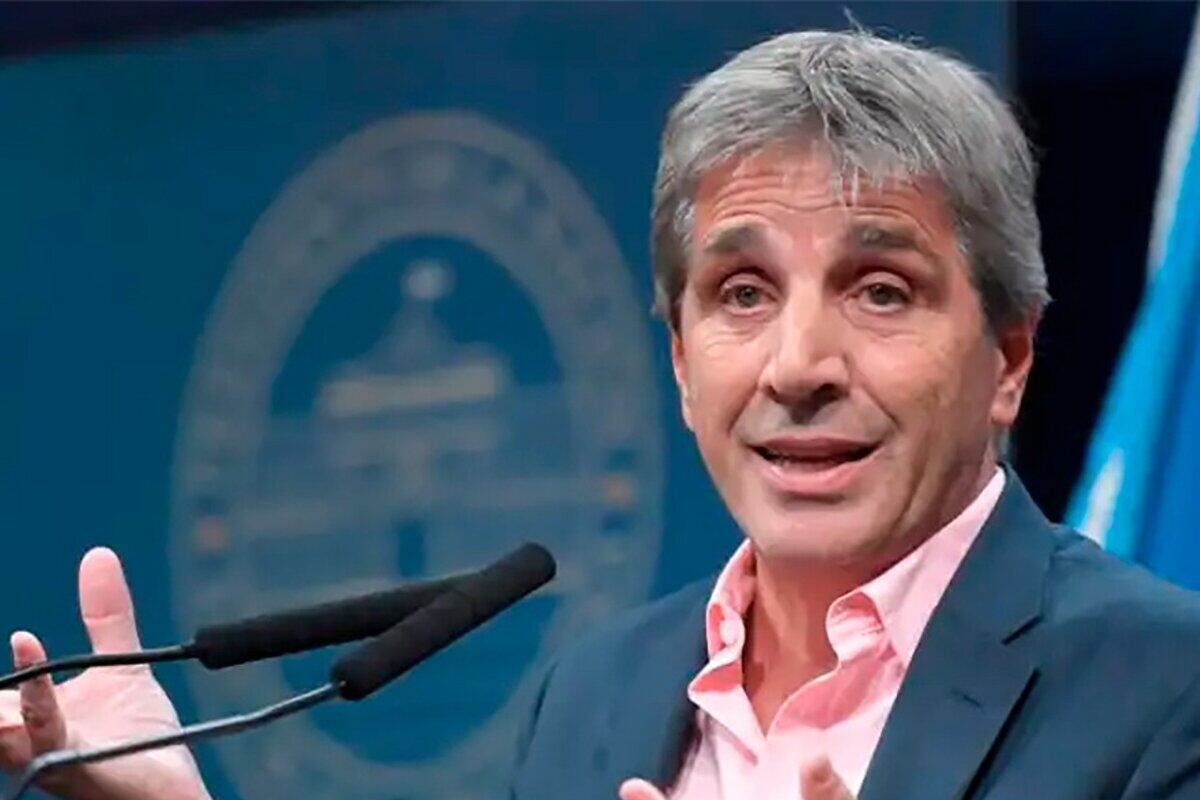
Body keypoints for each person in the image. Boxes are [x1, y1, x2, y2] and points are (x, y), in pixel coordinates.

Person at [4, 28, 1200, 800]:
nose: (798, 365)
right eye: (742, 293)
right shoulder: (596, 694)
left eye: (880, 289)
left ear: (1008, 357)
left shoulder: (1162, 687)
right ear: (679, 362)